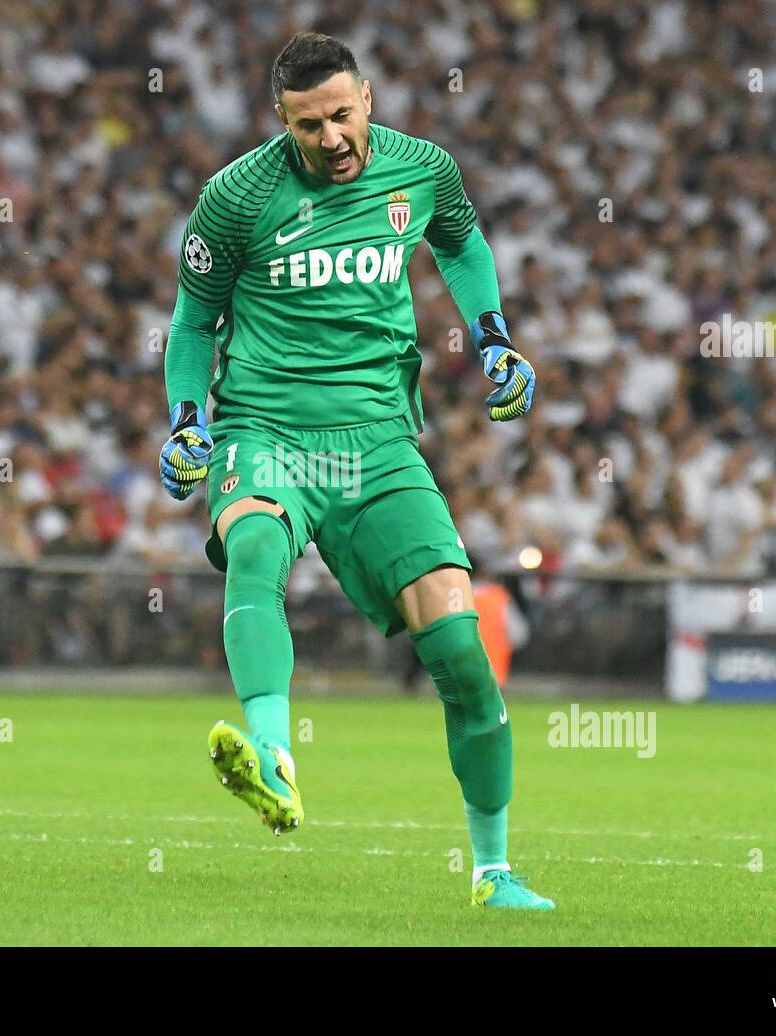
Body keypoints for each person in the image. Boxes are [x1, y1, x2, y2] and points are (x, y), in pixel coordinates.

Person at [159, 32, 551, 910]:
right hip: (265, 427)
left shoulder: (421, 169)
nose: (332, 138)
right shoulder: (236, 198)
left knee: (460, 649)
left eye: (342, 115)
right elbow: (192, 326)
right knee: (255, 544)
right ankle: (271, 749)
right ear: (281, 121)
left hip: (378, 440)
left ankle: (492, 871)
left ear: (367, 98)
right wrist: (187, 422)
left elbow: (463, 243)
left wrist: (494, 340)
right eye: (309, 125)